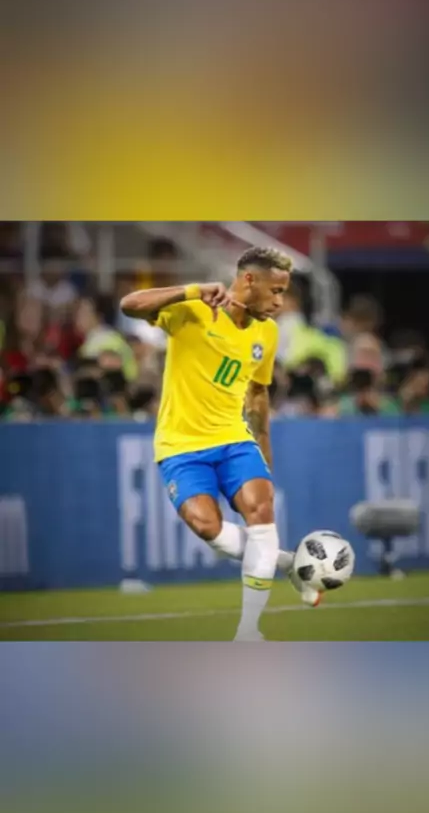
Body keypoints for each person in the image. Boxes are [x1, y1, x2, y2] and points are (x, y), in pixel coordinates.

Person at [120, 247, 322, 641]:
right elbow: (130, 305)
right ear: (249, 280)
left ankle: (248, 632)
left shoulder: (267, 332)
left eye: (283, 293)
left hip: (234, 440)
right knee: (208, 528)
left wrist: (263, 447)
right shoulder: (194, 311)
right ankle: (290, 564)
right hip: (180, 445)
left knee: (261, 516)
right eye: (275, 291)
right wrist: (191, 290)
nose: (280, 302)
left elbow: (258, 394)